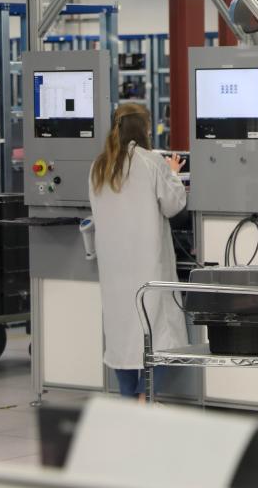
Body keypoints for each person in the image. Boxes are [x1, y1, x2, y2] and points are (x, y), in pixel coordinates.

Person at [89, 104, 188, 401]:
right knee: (160, 337)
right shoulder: (151, 162)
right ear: (144, 129)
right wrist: (173, 173)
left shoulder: (98, 166)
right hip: (148, 266)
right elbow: (173, 205)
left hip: (113, 267)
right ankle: (147, 395)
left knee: (121, 338)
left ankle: (128, 397)